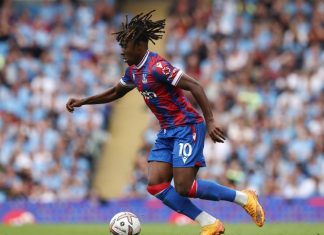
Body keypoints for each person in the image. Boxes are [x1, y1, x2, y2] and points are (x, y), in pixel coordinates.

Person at [66, 11, 265, 235]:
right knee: (156, 184)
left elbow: (195, 86)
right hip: (168, 131)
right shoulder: (133, 71)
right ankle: (210, 222)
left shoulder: (157, 67)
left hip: (187, 126)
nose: (123, 51)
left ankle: (243, 197)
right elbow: (115, 92)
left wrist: (210, 121)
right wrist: (84, 101)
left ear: (140, 45)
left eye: (127, 46)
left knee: (184, 187)